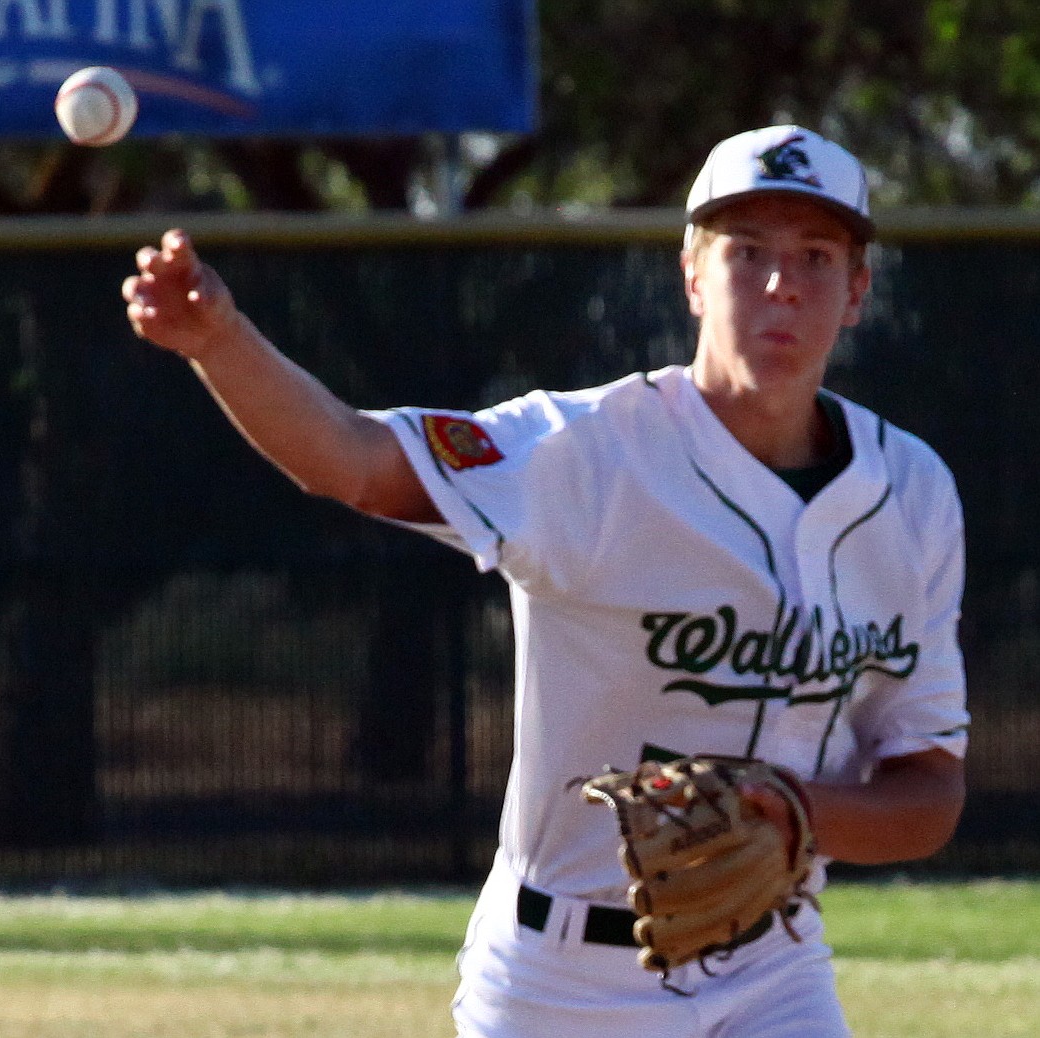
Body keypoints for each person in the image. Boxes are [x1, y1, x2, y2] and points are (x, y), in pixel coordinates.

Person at [122, 124, 969, 1038]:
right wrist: (221, 340)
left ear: (857, 291)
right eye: (746, 251)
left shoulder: (911, 493)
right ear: (692, 276)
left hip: (774, 971)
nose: (781, 286)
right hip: (561, 987)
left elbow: (927, 791)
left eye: (816, 255)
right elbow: (354, 461)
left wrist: (802, 812)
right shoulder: (587, 453)